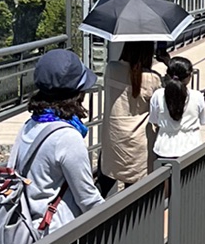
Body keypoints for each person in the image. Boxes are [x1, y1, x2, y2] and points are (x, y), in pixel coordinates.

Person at [12, 49, 103, 230]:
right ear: (78, 93)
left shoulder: (30, 125)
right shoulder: (67, 138)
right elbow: (87, 199)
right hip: (57, 236)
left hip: (29, 228)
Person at [98, 41, 162, 193]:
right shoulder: (153, 78)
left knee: (103, 184)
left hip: (113, 139)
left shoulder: (111, 68)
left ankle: (89, 215)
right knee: (134, 194)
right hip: (139, 144)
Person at [148, 56, 205, 160]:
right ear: (188, 77)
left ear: (168, 74)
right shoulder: (197, 96)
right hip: (191, 148)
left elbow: (154, 120)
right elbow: (202, 121)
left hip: (164, 148)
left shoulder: (158, 95)